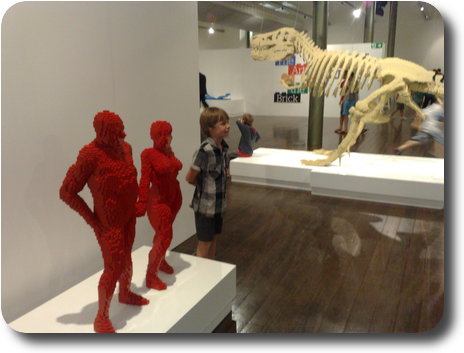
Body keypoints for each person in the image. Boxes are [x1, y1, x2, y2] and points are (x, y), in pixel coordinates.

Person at [59, 111, 149, 333]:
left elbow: (131, 178)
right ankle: (101, 317)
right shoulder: (90, 155)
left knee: (127, 255)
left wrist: (139, 201)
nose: (123, 134)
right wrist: (92, 220)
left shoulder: (125, 148)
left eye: (122, 128)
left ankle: (125, 293)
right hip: (108, 223)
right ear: (103, 133)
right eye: (117, 131)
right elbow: (67, 192)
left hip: (127, 216)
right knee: (113, 265)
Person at [136, 121, 182, 291]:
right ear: (152, 137)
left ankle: (161, 261)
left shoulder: (169, 151)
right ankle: (150, 276)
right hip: (157, 201)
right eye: (159, 135)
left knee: (162, 235)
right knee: (165, 236)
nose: (165, 138)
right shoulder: (148, 154)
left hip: (173, 198)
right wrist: (141, 203)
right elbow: (144, 180)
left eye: (168, 134)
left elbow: (174, 167)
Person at [185, 107, 230, 259]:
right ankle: (201, 274)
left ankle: (210, 271)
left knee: (214, 239)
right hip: (205, 208)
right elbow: (190, 177)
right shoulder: (204, 150)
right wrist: (204, 189)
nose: (227, 126)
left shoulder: (223, 148)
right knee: (205, 243)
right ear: (210, 128)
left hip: (218, 205)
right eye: (222, 123)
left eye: (227, 122)